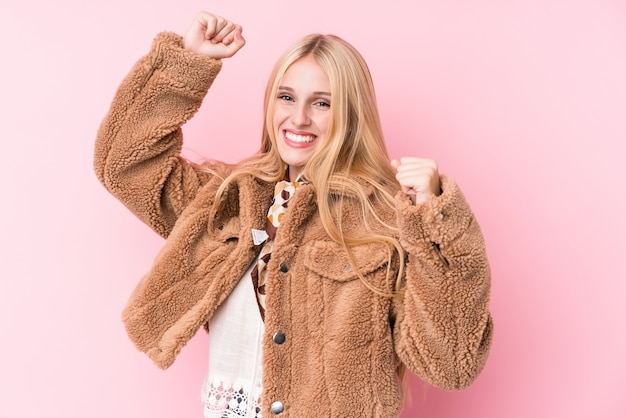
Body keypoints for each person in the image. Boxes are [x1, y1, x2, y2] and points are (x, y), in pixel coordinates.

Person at [94, 11, 493, 418]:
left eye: (321, 103)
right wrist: (185, 65)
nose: (299, 118)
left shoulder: (389, 217)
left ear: (351, 115)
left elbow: (450, 363)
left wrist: (435, 219)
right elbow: (123, 166)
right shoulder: (230, 197)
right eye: (286, 97)